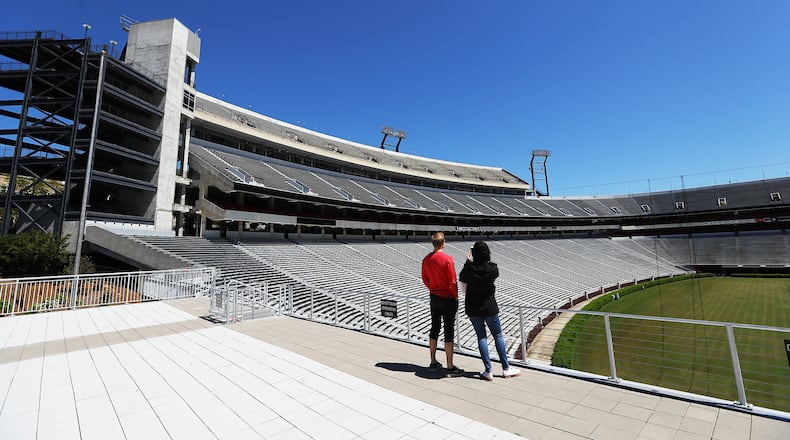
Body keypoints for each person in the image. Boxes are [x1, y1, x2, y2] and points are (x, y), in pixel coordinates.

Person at [459, 241, 520, 381]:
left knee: (481, 337)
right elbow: (492, 274)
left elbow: (462, 277)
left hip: (473, 307)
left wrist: (468, 262)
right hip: (489, 306)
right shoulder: (493, 268)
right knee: (498, 335)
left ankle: (488, 370)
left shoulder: (469, 269)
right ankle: (506, 368)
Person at [421, 232, 463, 375]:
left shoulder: (426, 259)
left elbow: (425, 279)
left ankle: (433, 361)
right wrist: (455, 296)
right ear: (443, 243)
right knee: (448, 331)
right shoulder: (447, 259)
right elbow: (452, 281)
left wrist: (433, 289)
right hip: (447, 298)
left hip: (434, 297)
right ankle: (450, 365)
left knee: (435, 328)